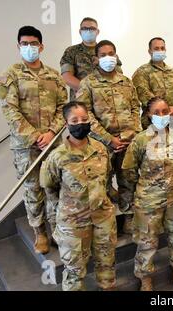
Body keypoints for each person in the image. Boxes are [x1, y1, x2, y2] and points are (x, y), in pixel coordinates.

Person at [0, 26, 67, 254]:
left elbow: (63, 108)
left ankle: (56, 230)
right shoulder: (10, 76)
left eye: (33, 43)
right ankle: (40, 233)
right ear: (18, 47)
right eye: (24, 44)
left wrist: (51, 133)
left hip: (53, 143)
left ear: (41, 46)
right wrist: (36, 136)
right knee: (33, 189)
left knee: (54, 187)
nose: (29, 48)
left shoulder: (54, 76)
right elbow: (10, 111)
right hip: (26, 147)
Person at [40, 102, 117, 291]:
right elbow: (49, 187)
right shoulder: (57, 156)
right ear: (66, 124)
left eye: (84, 119)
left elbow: (106, 178)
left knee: (107, 264)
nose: (80, 123)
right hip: (72, 222)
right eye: (75, 120)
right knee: (74, 271)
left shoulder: (101, 149)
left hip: (102, 216)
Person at [122, 97, 173, 291]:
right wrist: (145, 188)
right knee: (147, 242)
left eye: (165, 111)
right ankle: (145, 280)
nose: (162, 116)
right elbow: (128, 171)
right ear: (148, 115)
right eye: (157, 112)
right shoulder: (140, 140)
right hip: (148, 201)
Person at [75, 40, 141, 234]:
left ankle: (129, 217)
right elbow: (84, 114)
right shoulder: (88, 83)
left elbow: (135, 107)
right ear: (96, 59)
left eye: (111, 53)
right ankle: (104, 222)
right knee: (100, 182)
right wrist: (108, 139)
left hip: (128, 141)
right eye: (103, 55)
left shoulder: (126, 81)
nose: (108, 58)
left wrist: (134, 133)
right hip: (102, 143)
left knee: (129, 179)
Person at [60, 17, 122, 101]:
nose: (88, 31)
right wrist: (89, 91)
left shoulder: (107, 50)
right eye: (85, 28)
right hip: (81, 102)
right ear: (80, 31)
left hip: (106, 102)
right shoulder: (71, 51)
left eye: (92, 28)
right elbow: (66, 77)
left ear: (97, 32)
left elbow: (119, 75)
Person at [132, 37, 173, 129]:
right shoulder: (141, 72)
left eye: (162, 48)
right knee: (153, 143)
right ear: (150, 51)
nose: (160, 51)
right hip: (152, 121)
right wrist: (164, 110)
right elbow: (143, 94)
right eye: (156, 48)